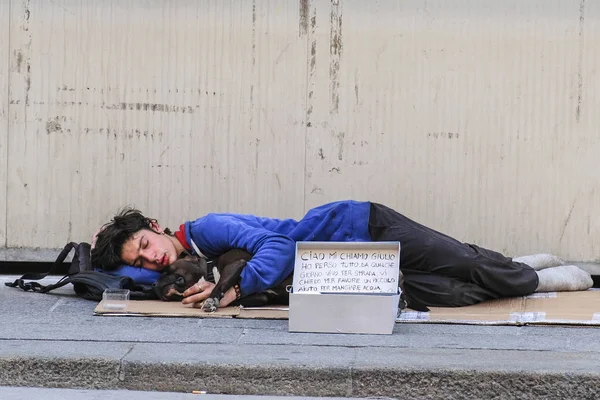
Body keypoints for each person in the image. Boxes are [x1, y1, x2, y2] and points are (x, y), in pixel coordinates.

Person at [90, 200, 594, 310]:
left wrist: (234, 288)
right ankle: (522, 266)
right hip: (347, 269)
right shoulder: (187, 264)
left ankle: (540, 277)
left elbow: (280, 245)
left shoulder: (208, 230)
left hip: (360, 226)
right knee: (455, 292)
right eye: (140, 259)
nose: (151, 259)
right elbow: (116, 275)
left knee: (466, 264)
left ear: (157, 228)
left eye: (147, 246)